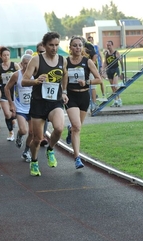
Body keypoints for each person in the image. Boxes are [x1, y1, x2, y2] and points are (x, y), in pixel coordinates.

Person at [21, 31, 68, 176]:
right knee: (37, 139)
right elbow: (24, 80)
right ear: (44, 45)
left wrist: (64, 91)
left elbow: (65, 74)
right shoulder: (36, 60)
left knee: (59, 128)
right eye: (51, 45)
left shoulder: (62, 60)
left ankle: (50, 149)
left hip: (55, 101)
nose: (54, 48)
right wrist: (36, 81)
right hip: (39, 103)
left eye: (56, 45)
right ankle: (34, 161)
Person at [65, 36, 102, 169]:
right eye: (75, 45)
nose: (78, 48)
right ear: (70, 48)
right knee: (77, 127)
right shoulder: (65, 62)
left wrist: (87, 82)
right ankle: (77, 158)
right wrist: (63, 93)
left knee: (77, 127)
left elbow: (99, 79)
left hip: (84, 97)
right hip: (71, 96)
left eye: (80, 45)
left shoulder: (87, 62)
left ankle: (70, 130)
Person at [4, 54, 33, 162]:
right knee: (24, 130)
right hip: (20, 108)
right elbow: (7, 88)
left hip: (33, 108)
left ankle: (26, 151)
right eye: (25, 63)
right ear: (21, 64)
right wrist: (11, 104)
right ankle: (19, 136)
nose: (27, 66)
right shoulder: (17, 75)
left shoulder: (36, 74)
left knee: (32, 133)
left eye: (29, 63)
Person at [0, 46, 20, 141]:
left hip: (14, 92)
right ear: (1, 56)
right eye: (4, 55)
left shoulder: (15, 66)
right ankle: (11, 132)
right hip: (4, 93)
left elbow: (20, 78)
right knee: (7, 114)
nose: (6, 57)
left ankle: (13, 119)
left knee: (14, 114)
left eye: (7, 55)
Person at [102, 40, 124, 107]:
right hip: (109, 71)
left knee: (115, 85)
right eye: (107, 45)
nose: (108, 47)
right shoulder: (106, 54)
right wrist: (103, 70)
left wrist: (122, 71)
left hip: (115, 70)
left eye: (109, 45)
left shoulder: (116, 52)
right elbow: (105, 63)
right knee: (112, 87)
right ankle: (115, 100)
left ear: (112, 45)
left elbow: (121, 61)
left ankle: (119, 99)